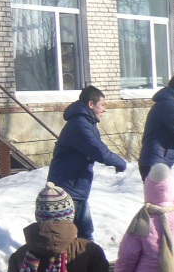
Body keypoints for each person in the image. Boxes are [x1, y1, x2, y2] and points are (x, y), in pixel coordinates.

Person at [46, 86, 128, 241]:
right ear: (91, 104)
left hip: (76, 186)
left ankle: (79, 262)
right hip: (68, 187)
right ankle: (76, 263)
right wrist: (120, 163)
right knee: (74, 233)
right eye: (102, 105)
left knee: (82, 232)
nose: (104, 109)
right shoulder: (79, 125)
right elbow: (99, 151)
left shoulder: (85, 122)